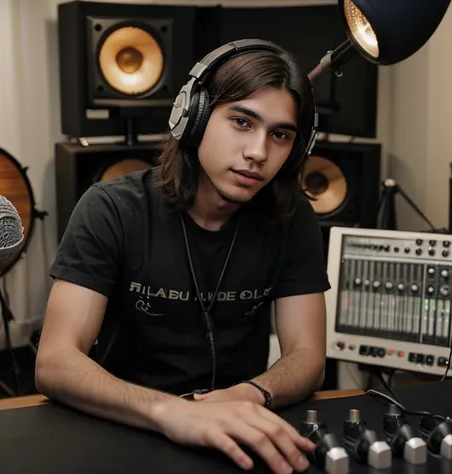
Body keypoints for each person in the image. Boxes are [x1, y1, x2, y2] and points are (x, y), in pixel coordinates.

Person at [35, 39, 330, 474]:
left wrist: (247, 395)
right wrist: (173, 413)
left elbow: (308, 356)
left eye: (280, 135)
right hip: (126, 426)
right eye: (242, 122)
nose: (259, 153)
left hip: (239, 428)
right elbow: (55, 362)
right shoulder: (111, 209)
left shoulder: (292, 219)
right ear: (190, 117)